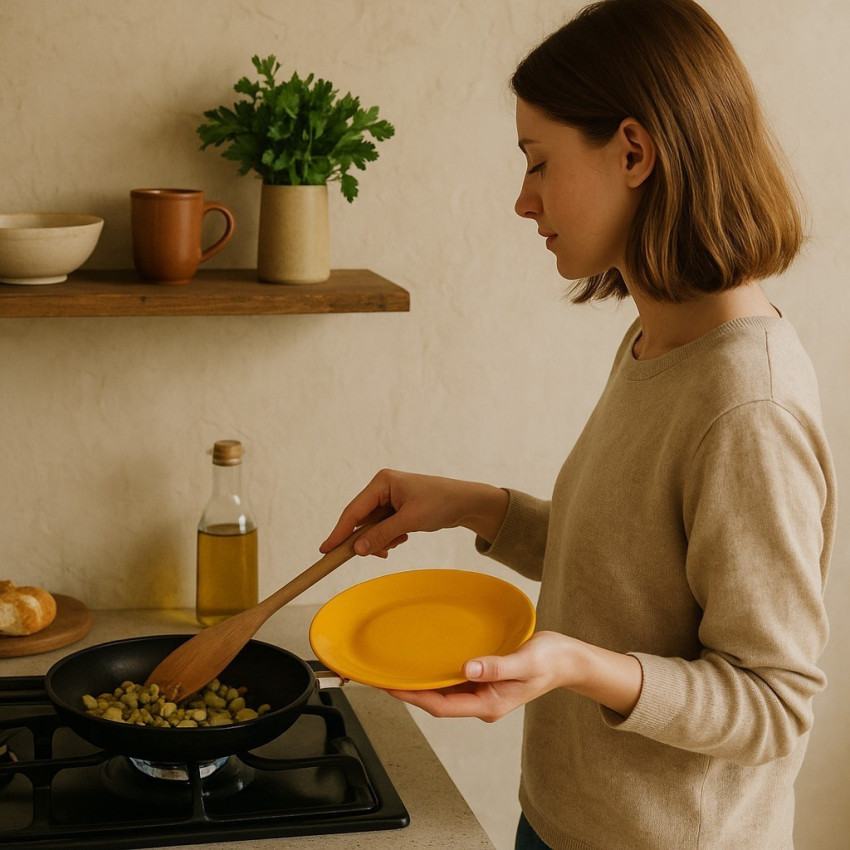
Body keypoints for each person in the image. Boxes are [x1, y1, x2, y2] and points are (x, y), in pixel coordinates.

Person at [319, 0, 836, 847]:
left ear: (633, 151)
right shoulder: (659, 336)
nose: (523, 201)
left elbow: (773, 703)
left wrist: (572, 665)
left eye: (537, 162)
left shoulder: (750, 404)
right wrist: (474, 506)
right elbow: (629, 572)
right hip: (563, 822)